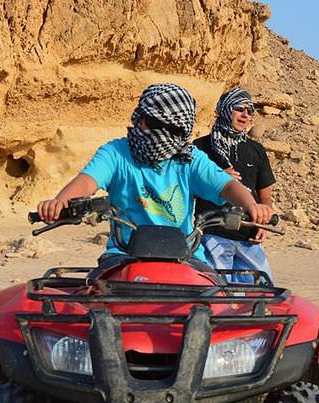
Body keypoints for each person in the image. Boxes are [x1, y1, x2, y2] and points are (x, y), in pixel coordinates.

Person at [37, 83, 272, 272]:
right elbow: (88, 181)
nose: (156, 132)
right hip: (124, 255)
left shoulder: (189, 158)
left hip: (185, 256)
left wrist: (252, 206)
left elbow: (227, 185)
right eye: (151, 123)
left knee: (211, 309)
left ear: (181, 131)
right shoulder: (116, 153)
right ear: (139, 119)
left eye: (168, 128)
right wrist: (60, 202)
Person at [193, 87, 276, 283]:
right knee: (218, 293)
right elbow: (187, 190)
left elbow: (265, 196)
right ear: (225, 109)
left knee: (263, 291)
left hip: (249, 236)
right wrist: (216, 179)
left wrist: (263, 222)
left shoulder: (256, 150)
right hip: (213, 235)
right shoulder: (200, 148)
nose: (246, 115)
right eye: (239, 108)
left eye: (250, 111)